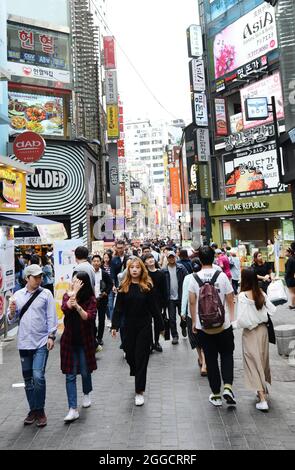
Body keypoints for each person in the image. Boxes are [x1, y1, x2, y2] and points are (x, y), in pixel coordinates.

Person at [7, 264, 58, 427]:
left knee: (38, 376)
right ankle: (33, 410)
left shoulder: (46, 294)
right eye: (35, 277)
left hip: (41, 341)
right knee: (28, 380)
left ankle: (40, 410)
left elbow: (52, 317)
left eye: (40, 276)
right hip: (24, 343)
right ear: (27, 278)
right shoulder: (17, 295)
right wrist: (12, 312)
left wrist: (51, 336)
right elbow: (11, 321)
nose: (39, 279)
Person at [111, 257, 163, 406]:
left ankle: (139, 390)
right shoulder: (123, 287)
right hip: (128, 326)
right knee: (130, 355)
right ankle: (135, 370)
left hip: (144, 326)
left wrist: (160, 327)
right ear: (128, 270)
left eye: (137, 267)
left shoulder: (147, 287)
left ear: (142, 269)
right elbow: (118, 309)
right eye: (132, 267)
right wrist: (115, 326)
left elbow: (154, 308)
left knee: (141, 357)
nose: (134, 269)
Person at [189, 246, 235, 407]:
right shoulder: (221, 276)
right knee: (227, 354)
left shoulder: (194, 278)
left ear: (200, 260)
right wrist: (232, 318)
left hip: (204, 327)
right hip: (224, 325)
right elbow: (230, 298)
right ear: (214, 258)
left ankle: (216, 394)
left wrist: (194, 322)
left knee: (211, 359)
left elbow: (192, 302)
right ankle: (228, 386)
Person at [235, 268, 276, 412]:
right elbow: (272, 310)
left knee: (252, 363)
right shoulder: (261, 293)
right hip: (263, 331)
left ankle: (262, 398)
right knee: (262, 360)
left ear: (244, 279)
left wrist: (231, 326)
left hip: (250, 332)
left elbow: (241, 320)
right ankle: (262, 391)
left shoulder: (242, 296)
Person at [60, 272, 97, 422]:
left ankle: (87, 392)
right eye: (74, 281)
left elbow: (89, 317)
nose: (75, 283)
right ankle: (72, 408)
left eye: (78, 282)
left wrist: (78, 307)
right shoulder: (67, 295)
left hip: (84, 340)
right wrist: (72, 295)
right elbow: (65, 308)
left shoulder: (91, 299)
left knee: (85, 370)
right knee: (70, 374)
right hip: (69, 340)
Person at [181, 259, 207, 377]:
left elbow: (185, 296)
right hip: (205, 312)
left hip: (193, 313)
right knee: (203, 337)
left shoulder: (188, 278)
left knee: (196, 338)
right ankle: (204, 362)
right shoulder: (206, 276)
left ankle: (202, 361)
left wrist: (183, 312)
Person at [162, 251, 188, 344]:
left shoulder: (181, 268)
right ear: (167, 258)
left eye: (173, 257)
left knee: (183, 316)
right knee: (172, 318)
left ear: (175, 258)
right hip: (170, 298)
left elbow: (187, 279)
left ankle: (183, 326)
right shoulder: (164, 270)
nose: (171, 259)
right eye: (169, 257)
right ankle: (175, 336)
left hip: (181, 296)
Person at [144, 253, 167, 352]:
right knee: (148, 323)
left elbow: (164, 289)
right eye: (148, 259)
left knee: (158, 322)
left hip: (158, 301)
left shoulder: (161, 273)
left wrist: (164, 304)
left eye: (151, 258)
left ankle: (156, 342)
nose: (150, 260)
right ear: (145, 262)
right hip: (146, 302)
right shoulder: (144, 274)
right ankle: (149, 343)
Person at [91, 254, 113, 350]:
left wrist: (106, 292)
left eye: (98, 261)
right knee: (91, 319)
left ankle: (99, 338)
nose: (96, 263)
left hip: (102, 299)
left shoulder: (103, 273)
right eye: (94, 261)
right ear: (91, 262)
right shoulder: (89, 272)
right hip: (92, 299)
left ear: (101, 262)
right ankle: (92, 336)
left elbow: (110, 283)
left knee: (101, 319)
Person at [285, 244, 295, 309]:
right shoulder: (293, 259)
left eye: (286, 252)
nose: (285, 253)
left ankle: (292, 305)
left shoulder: (290, 260)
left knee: (291, 292)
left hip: (290, 278)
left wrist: (285, 276)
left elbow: (288, 271)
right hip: (293, 277)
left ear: (289, 252)